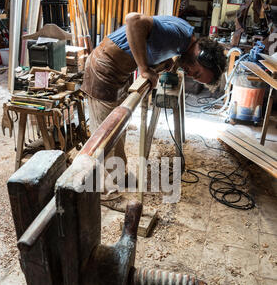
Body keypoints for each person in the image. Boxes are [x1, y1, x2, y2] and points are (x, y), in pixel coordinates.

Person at [81, 13, 226, 200]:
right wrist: (143, 68)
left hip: (119, 72)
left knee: (118, 130)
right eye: (196, 73)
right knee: (105, 134)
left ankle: (118, 175)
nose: (190, 75)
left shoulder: (184, 38)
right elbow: (134, 20)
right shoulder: (177, 36)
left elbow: (151, 40)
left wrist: (159, 62)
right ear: (202, 55)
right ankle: (104, 192)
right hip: (104, 68)